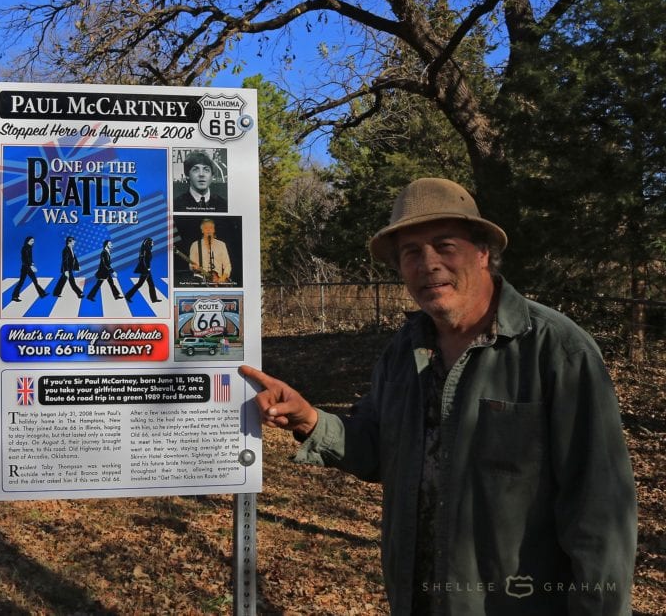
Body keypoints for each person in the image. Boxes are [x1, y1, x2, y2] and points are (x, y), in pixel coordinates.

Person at [240, 178, 636, 615]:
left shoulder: (556, 351)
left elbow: (600, 513)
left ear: (483, 252)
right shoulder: (402, 352)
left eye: (444, 245)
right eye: (410, 252)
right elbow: (377, 446)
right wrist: (310, 420)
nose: (428, 264)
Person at [188, 218, 231, 283]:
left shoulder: (221, 244)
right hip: (201, 280)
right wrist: (194, 268)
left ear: (214, 230)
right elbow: (191, 266)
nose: (208, 230)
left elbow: (227, 265)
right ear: (202, 230)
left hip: (218, 281)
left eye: (211, 228)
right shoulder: (195, 245)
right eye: (205, 228)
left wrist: (223, 278)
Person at [10, 236, 47, 302]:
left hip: (28, 267)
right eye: (31, 241)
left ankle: (42, 293)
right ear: (28, 241)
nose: (33, 242)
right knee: (22, 282)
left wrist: (32, 263)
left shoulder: (29, 247)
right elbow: (24, 259)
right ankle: (14, 296)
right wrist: (31, 266)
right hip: (25, 268)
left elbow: (29, 258)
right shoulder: (25, 248)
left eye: (33, 241)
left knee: (34, 281)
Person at [124, 237, 161, 303]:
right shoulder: (145, 250)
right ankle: (127, 296)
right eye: (152, 242)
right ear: (148, 242)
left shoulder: (147, 249)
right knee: (139, 284)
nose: (153, 243)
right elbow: (143, 260)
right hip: (145, 270)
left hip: (147, 270)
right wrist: (147, 268)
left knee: (151, 284)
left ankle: (154, 299)